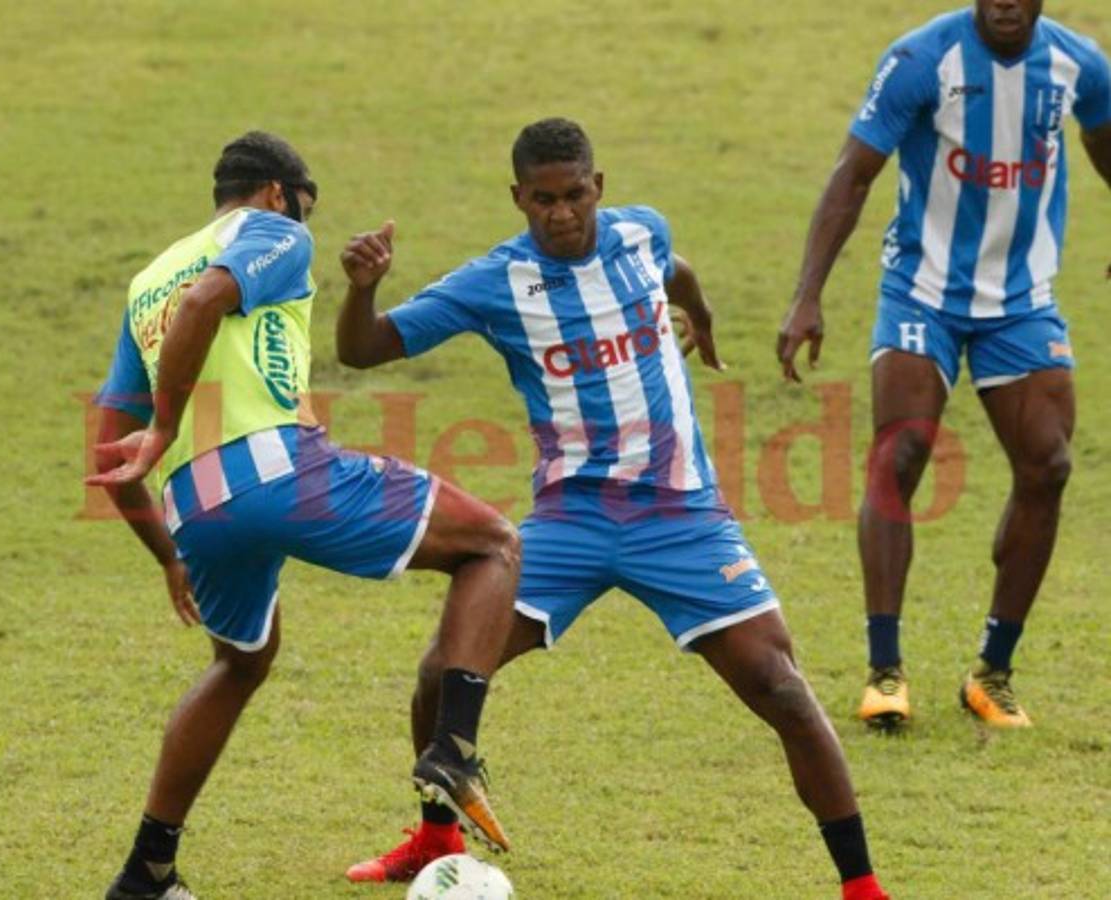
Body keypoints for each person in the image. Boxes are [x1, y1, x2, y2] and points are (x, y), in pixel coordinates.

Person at [336, 118, 890, 900]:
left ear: (598, 187)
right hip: (571, 519)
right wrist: (363, 289)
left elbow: (676, 267)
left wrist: (698, 316)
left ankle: (863, 889)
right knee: (440, 674)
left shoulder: (640, 233)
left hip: (682, 515)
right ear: (518, 198)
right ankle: (433, 840)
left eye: (573, 196)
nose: (560, 213)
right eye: (542, 200)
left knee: (782, 690)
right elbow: (364, 351)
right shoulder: (493, 282)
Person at [87, 131, 520, 900]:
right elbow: (205, 302)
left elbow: (102, 449)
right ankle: (451, 748)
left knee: (239, 662)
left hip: (195, 509)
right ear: (279, 194)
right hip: (279, 473)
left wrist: (166, 555)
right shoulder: (274, 233)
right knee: (491, 543)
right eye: (306, 212)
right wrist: (163, 424)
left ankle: (147, 870)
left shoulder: (147, 281)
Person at [777, 0, 1111, 730]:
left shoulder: (1077, 65)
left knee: (1047, 466)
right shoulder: (921, 59)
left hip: (1020, 300)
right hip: (920, 293)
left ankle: (992, 672)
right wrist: (807, 296)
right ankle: (884, 670)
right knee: (900, 456)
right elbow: (852, 175)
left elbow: (1104, 135)